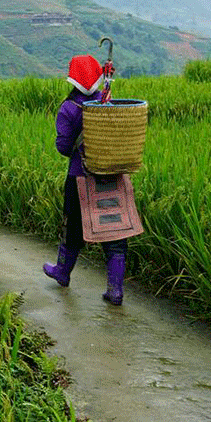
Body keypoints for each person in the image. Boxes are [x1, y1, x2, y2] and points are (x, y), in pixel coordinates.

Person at [43, 54, 129, 305]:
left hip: (79, 177)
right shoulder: (107, 100)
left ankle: (62, 272)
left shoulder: (68, 108)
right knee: (115, 233)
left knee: (73, 230)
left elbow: (63, 146)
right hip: (111, 175)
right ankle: (115, 290)